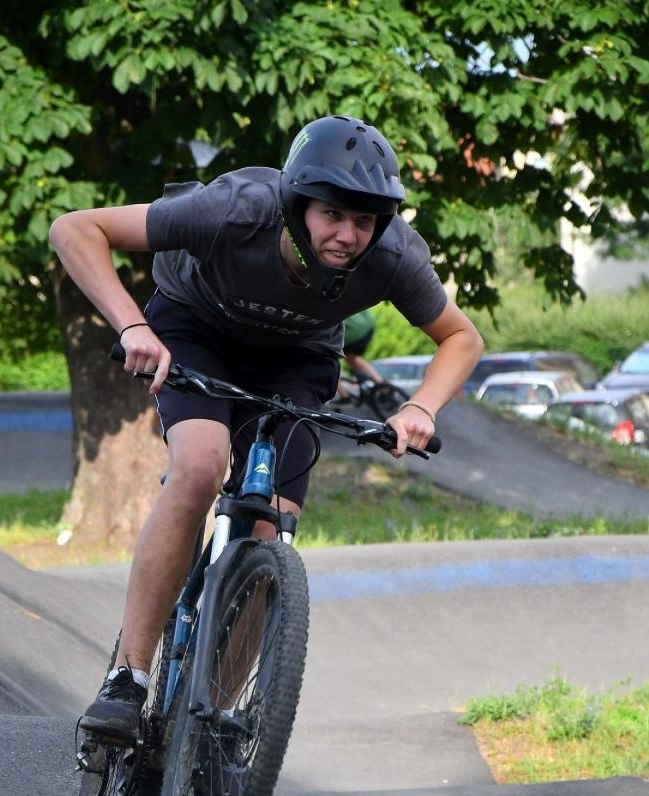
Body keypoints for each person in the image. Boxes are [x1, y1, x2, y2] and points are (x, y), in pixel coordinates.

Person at [49, 114, 484, 743]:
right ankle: (129, 678)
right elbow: (76, 229)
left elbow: (461, 337)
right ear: (297, 203)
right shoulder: (235, 209)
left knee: (271, 526)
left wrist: (420, 408)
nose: (347, 235)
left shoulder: (391, 256)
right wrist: (131, 327)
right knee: (200, 466)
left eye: (364, 221)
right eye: (333, 214)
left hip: (298, 357)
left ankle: (217, 718)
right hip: (195, 329)